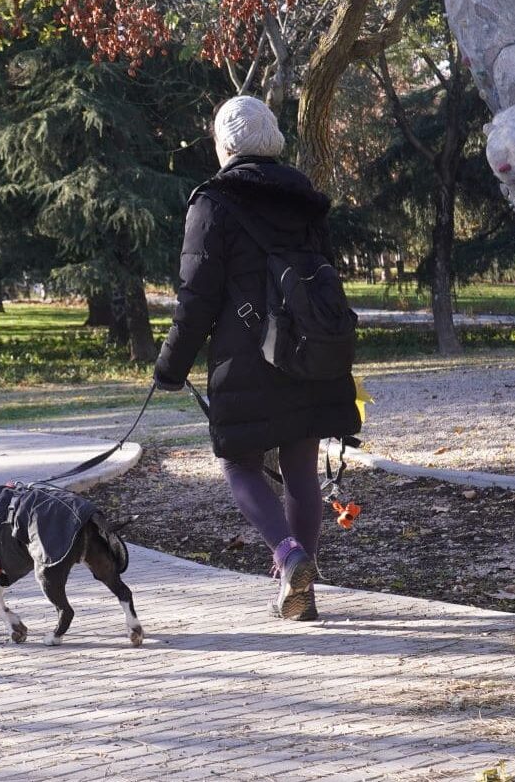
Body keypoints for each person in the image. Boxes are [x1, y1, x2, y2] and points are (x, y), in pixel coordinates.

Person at [153, 95, 360, 622]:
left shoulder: (212, 203)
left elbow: (196, 295)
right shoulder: (305, 199)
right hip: (309, 351)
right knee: (300, 470)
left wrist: (170, 367)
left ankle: (289, 558)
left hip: (247, 358)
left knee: (238, 463)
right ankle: (303, 590)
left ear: (225, 144)